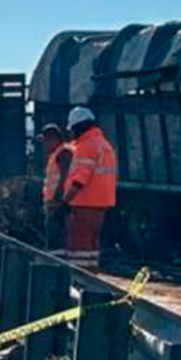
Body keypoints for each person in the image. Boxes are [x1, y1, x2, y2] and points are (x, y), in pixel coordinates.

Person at [59, 107, 117, 266]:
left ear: (79, 126)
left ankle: (80, 279)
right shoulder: (105, 145)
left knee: (79, 243)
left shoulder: (87, 145)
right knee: (92, 243)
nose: (72, 133)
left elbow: (80, 179)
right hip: (101, 204)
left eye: (73, 129)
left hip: (84, 203)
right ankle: (92, 278)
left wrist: (65, 202)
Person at [39, 124, 73, 254]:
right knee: (54, 241)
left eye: (45, 140)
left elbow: (66, 177)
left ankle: (57, 269)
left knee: (57, 243)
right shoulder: (57, 154)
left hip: (57, 205)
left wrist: (58, 200)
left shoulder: (63, 153)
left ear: (54, 139)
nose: (44, 144)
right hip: (53, 204)